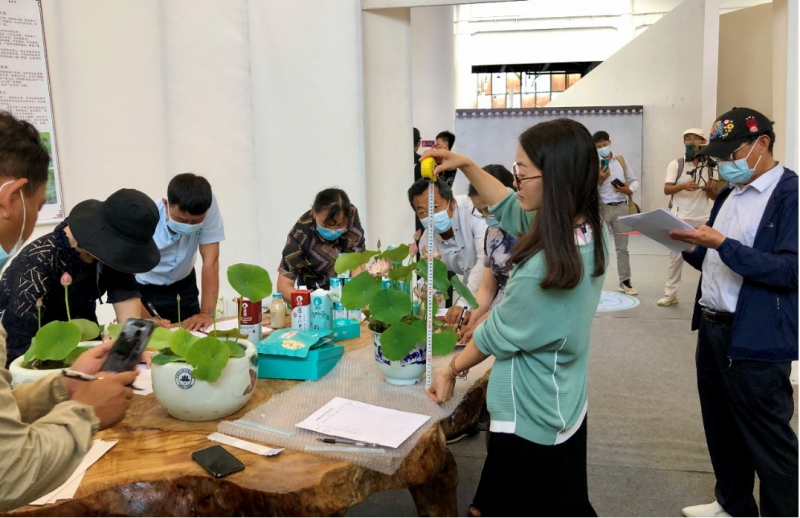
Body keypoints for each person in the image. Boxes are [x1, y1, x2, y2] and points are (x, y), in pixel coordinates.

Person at [426, 118, 607, 517]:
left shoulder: (545, 267)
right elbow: (509, 206)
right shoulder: (587, 230)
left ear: (555, 179)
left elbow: (497, 332)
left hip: (531, 408)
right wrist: (467, 164)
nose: (516, 182)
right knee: (564, 494)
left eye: (522, 173)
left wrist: (450, 370)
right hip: (563, 392)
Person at [0, 111, 137, 510]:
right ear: (11, 198)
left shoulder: (109, 259)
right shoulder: (35, 267)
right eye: (37, 206)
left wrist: (64, 388)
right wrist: (86, 412)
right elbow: (9, 471)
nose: (33, 222)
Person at [669, 107, 799, 518]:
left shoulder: (790, 196)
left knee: (769, 439)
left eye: (732, 153)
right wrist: (688, 245)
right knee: (721, 426)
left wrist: (723, 244)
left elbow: (791, 270)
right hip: (713, 326)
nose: (725, 163)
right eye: (720, 155)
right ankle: (732, 503)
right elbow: (715, 259)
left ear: (763, 143)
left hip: (757, 335)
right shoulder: (729, 194)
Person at [1, 188, 161, 367]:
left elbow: (126, 294)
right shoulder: (37, 263)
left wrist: (132, 350)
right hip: (33, 351)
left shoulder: (109, 255)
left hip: (80, 342)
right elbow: (18, 346)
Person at [136, 173, 225, 331]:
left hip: (184, 286)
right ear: (166, 204)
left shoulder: (207, 205)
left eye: (196, 221)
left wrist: (206, 313)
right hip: (144, 289)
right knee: (150, 338)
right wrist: (146, 318)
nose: (188, 225)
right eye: (181, 220)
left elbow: (211, 261)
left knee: (194, 334)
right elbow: (126, 277)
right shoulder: (145, 218)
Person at [445, 164, 518, 346]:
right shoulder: (492, 233)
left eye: (489, 209)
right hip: (495, 312)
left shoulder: (527, 234)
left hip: (516, 313)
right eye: (480, 212)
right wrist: (471, 324)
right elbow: (487, 287)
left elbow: (516, 296)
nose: (486, 217)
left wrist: (480, 325)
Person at [658, 129, 719, 307]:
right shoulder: (676, 164)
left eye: (695, 138)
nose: (691, 141)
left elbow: (714, 195)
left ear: (703, 141)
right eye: (687, 139)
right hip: (681, 217)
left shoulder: (712, 165)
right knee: (676, 257)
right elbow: (667, 189)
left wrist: (708, 188)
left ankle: (710, 294)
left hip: (704, 217)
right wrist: (683, 186)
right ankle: (670, 294)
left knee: (710, 257)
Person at [277, 188, 365, 300]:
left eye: (340, 225)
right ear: (314, 212)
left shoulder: (351, 216)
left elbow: (357, 260)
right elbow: (283, 286)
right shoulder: (300, 234)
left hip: (346, 289)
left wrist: (357, 297)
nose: (333, 229)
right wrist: (311, 301)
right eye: (327, 224)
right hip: (313, 292)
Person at [408, 177, 487, 300]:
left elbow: (485, 259)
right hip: (475, 292)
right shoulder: (426, 243)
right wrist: (427, 298)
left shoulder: (474, 210)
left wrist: (464, 302)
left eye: (435, 207)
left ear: (452, 203)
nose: (431, 216)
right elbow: (429, 280)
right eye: (422, 212)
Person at [594, 130, 639, 296]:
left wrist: (629, 189)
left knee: (622, 248)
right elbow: (586, 188)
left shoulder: (621, 160)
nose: (602, 148)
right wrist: (598, 180)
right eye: (598, 146)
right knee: (598, 247)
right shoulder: (592, 163)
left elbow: (634, 180)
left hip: (621, 207)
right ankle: (594, 283)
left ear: (610, 143)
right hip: (601, 208)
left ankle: (625, 281)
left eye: (604, 144)